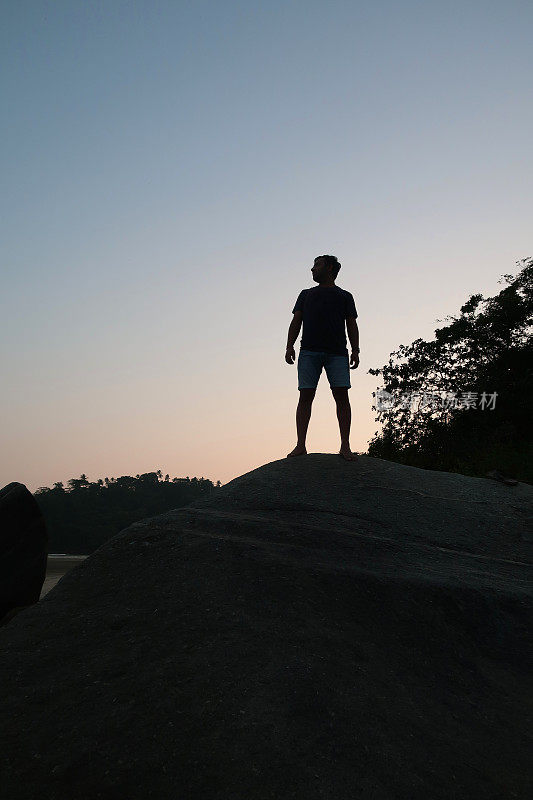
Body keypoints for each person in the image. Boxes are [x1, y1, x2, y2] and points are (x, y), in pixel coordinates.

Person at [285, 255, 360, 461]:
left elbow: (351, 324)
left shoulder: (345, 296)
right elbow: (296, 321)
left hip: (337, 353)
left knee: (342, 397)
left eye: (316, 265)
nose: (312, 269)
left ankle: (345, 445)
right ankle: (301, 445)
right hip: (309, 351)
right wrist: (289, 345)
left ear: (329, 268)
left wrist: (356, 349)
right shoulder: (306, 294)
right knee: (305, 396)